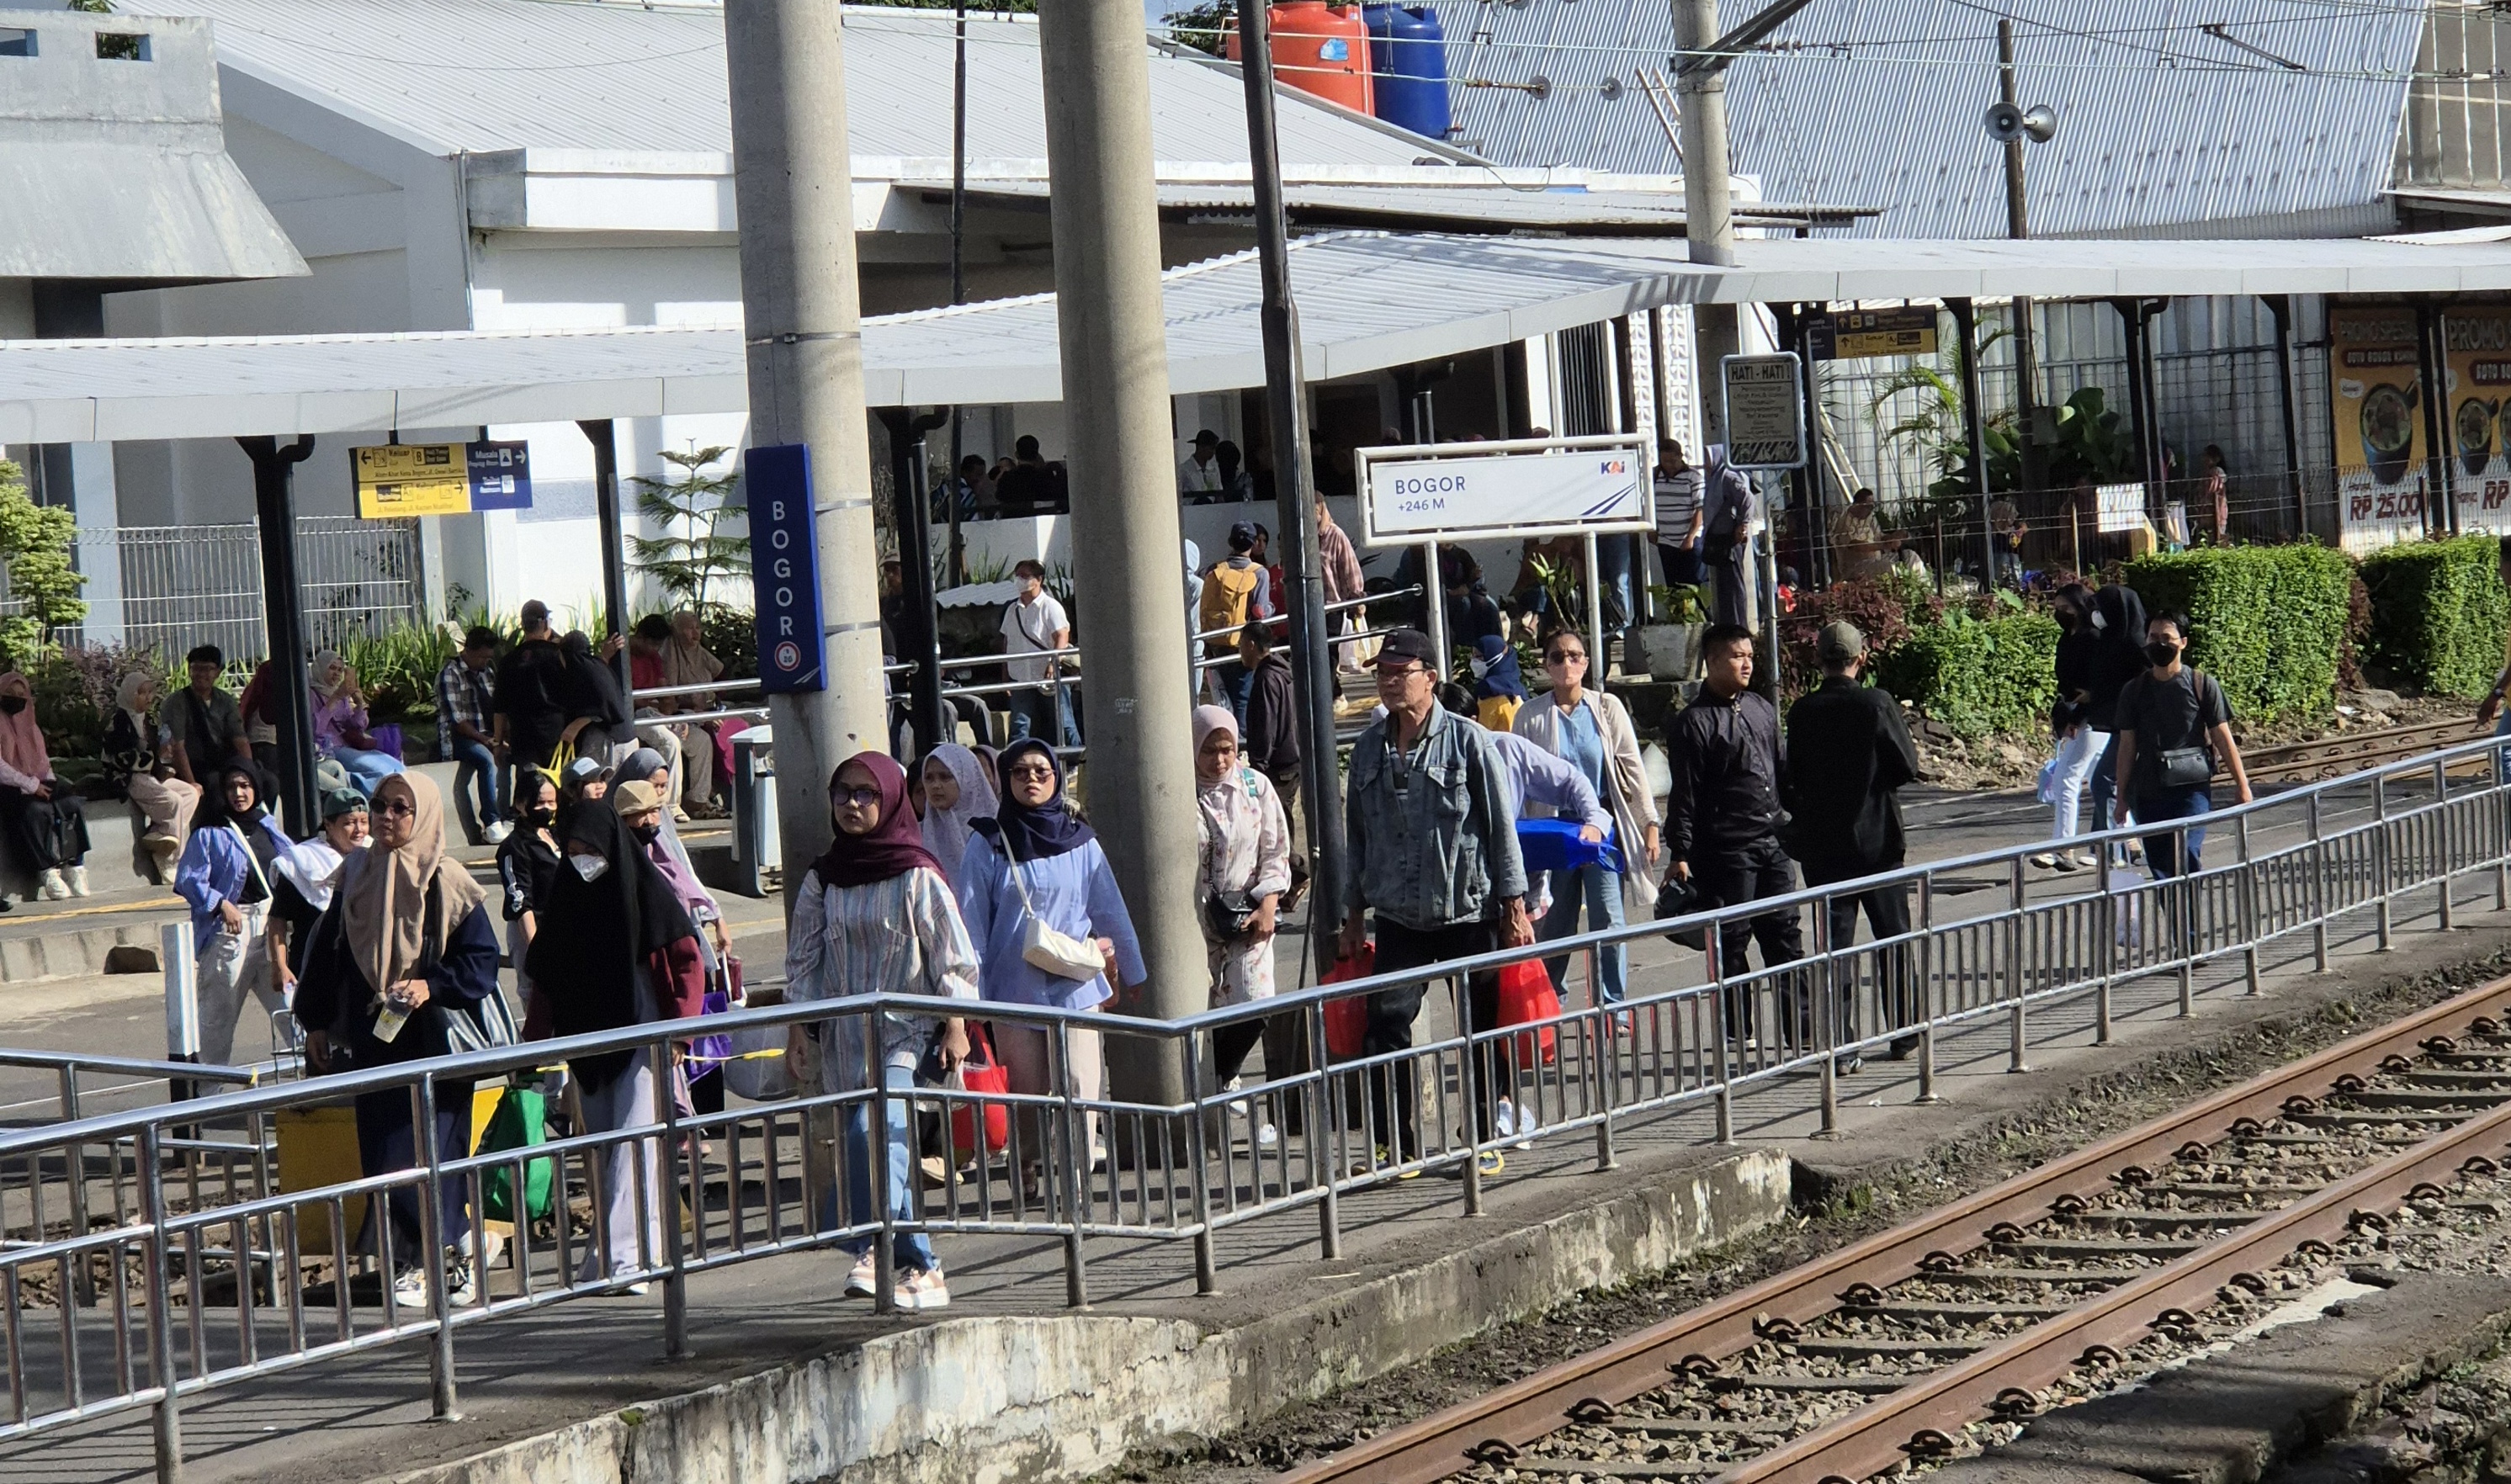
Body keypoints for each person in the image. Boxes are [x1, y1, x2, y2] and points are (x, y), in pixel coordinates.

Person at [295, 774, 500, 1310]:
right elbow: (329, 955)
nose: (386, 817)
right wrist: (316, 1021)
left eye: (400, 808)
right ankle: (427, 1258)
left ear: (423, 813)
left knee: (439, 1155)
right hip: (377, 1039)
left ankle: (444, 1260)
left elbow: (480, 962)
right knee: (388, 1159)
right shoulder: (359, 872)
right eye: (379, 806)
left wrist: (432, 984)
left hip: (435, 1040)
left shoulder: (447, 879)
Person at [785, 753, 978, 1309]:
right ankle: (923, 1266)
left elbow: (954, 958)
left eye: (866, 793)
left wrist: (956, 1025)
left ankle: (875, 1246)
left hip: (908, 1036)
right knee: (872, 1148)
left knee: (874, 1132)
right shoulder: (826, 878)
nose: (852, 803)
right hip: (847, 1039)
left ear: (890, 799)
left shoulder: (917, 872)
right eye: (843, 792)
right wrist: (800, 1030)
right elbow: (803, 961)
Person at [1338, 628, 1532, 1175]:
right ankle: (1394, 1146)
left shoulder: (1469, 741)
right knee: (1386, 1024)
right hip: (1399, 916)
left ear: (1430, 677)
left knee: (1479, 1026)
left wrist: (1513, 909)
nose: (1390, 681)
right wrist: (1353, 915)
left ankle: (1483, 1134)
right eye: (1383, 673)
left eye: (1401, 672)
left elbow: (1501, 830)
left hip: (1468, 910)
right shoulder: (1370, 750)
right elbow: (1359, 838)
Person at [529, 793, 708, 1292]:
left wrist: (679, 1028)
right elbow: (547, 973)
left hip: (641, 1029)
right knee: (605, 1147)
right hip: (588, 1040)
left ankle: (626, 1260)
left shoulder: (643, 891)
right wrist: (534, 1046)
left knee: (634, 1141)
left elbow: (686, 959)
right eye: (573, 847)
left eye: (591, 846)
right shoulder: (568, 897)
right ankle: (616, 1253)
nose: (582, 857)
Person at [957, 739, 1145, 1179]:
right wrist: (972, 999)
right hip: (1012, 992)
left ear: (1057, 777)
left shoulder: (1080, 841)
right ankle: (1027, 1165)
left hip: (1075, 986)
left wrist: (1133, 971)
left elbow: (1109, 908)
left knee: (1081, 1084)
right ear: (1005, 780)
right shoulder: (988, 843)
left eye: (1042, 771)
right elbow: (972, 926)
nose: (1032, 780)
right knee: (1027, 1093)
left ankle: (1077, 1177)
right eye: (1020, 772)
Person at [1781, 622, 1921, 1063]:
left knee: (1834, 946)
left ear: (1819, 661)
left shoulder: (1802, 711)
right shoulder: (1876, 704)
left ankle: (1842, 1046)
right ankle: (1905, 1032)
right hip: (1877, 838)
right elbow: (1906, 765)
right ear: (1862, 658)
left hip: (1825, 844)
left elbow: (1793, 778)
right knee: (1892, 937)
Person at [1664, 623, 1804, 1047]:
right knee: (1732, 941)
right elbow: (1684, 793)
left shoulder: (1761, 707)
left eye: (1749, 655)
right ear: (1711, 661)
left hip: (1773, 843)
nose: (1746, 663)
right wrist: (1680, 851)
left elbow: (1782, 773)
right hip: (1726, 851)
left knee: (1786, 938)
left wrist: (1801, 822)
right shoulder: (1693, 723)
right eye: (1736, 656)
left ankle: (1801, 1033)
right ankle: (1736, 1033)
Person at [1512, 628, 1659, 1011]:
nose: (1566, 664)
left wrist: (1650, 824)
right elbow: (1517, 780)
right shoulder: (1529, 715)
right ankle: (1550, 1003)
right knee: (1555, 923)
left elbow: (1632, 768)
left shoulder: (1606, 707)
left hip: (1601, 830)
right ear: (1546, 664)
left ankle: (1613, 1005)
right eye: (1557, 657)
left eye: (1574, 656)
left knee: (1609, 918)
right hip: (1553, 833)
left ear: (1587, 662)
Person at [1192, 706, 1293, 1134]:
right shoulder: (1177, 789)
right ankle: (1210, 1095)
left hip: (1249, 918)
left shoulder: (1256, 787)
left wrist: (1268, 903)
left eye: (1227, 750)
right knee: (1202, 1012)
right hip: (1195, 924)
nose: (1219, 761)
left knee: (1255, 1002)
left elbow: (1276, 851)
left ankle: (1223, 1074)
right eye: (1209, 751)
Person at [2111, 611, 2254, 889]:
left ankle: (2189, 920)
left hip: (2192, 788)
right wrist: (2121, 797)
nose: (2159, 644)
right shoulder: (2134, 690)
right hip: (2148, 791)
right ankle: (2181, 929)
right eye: (2153, 638)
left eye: (2167, 638)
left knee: (2187, 851)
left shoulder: (2201, 684)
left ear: (2183, 643)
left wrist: (2242, 784)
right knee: (2161, 866)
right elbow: (2126, 745)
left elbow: (2222, 737)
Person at [173, 759, 293, 1065]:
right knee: (218, 1017)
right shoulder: (209, 833)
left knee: (291, 1009)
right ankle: (210, 1094)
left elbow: (293, 865)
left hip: (269, 929)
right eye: (232, 787)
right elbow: (188, 879)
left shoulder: (268, 827)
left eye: (245, 785)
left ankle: (315, 1083)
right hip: (230, 935)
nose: (239, 793)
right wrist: (221, 903)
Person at [268, 788, 369, 1001]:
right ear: (328, 825)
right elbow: (277, 920)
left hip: (360, 969)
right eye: (350, 822)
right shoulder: (301, 863)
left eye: (364, 821)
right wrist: (280, 966)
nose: (359, 830)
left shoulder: (374, 857)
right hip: (311, 967)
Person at [2034, 584, 2108, 872]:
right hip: (2075, 713)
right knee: (2100, 778)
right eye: (2056, 608)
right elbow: (2064, 683)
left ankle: (2063, 848)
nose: (2060, 614)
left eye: (2066, 608)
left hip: (2095, 717)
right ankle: (2129, 840)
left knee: (2066, 778)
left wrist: (2079, 717)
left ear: (2081, 607)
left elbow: (2098, 685)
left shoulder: (2093, 638)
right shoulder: (2067, 639)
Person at [1235, 623, 1308, 904]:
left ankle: (1295, 876)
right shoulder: (1283, 672)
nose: (1240, 651)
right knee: (1281, 820)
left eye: (1241, 644)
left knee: (1275, 825)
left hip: (1277, 764)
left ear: (1251, 645)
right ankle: (1292, 880)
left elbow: (1266, 725)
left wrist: (1259, 764)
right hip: (1291, 757)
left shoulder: (1266, 679)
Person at [0, 669, 88, 900]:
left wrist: (47, 783)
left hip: (37, 782)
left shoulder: (30, 725)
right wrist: (30, 785)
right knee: (34, 812)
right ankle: (48, 872)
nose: (17, 698)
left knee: (72, 803)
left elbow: (42, 761)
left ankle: (75, 866)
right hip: (11, 788)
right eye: (10, 692)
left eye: (22, 693)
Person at [104, 668, 200, 879]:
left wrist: (164, 754)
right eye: (143, 693)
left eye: (151, 692)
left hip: (151, 776)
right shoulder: (118, 721)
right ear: (131, 694)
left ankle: (160, 835)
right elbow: (119, 757)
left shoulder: (150, 721)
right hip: (129, 777)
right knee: (173, 801)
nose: (149, 697)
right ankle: (169, 858)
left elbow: (157, 755)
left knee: (190, 794)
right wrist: (153, 756)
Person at [2085, 584, 2150, 860]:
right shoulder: (2106, 641)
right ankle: (2116, 845)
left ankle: (2114, 846)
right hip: (2118, 728)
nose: (2096, 615)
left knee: (2104, 781)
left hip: (2137, 730)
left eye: (2101, 609)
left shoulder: (2137, 647)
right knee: (2123, 787)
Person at [499, 767, 564, 1037]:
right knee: (535, 995)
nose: (547, 809)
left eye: (552, 802)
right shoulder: (514, 847)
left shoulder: (558, 835)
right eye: (540, 803)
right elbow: (519, 901)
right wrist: (536, 950)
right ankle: (537, 1067)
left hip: (561, 926)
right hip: (531, 929)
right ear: (520, 804)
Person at [438, 627, 510, 846]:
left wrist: (499, 738)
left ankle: (508, 817)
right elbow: (457, 721)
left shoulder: (486, 672)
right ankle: (491, 821)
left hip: (487, 733)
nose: (485, 662)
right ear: (468, 650)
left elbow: (497, 707)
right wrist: (486, 741)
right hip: (460, 738)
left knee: (507, 756)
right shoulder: (450, 673)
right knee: (486, 759)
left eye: (489, 658)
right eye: (482, 657)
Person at [624, 616, 694, 824]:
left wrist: (672, 715)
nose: (655, 648)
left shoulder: (654, 657)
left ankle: (698, 799)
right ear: (640, 636)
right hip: (636, 714)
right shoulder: (624, 655)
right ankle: (669, 804)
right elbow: (632, 699)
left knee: (699, 740)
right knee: (670, 742)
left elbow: (665, 692)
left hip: (654, 712)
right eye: (653, 643)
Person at [307, 651, 405, 800]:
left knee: (397, 767)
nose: (337, 674)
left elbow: (358, 726)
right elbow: (315, 729)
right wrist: (335, 698)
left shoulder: (340, 694)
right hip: (331, 749)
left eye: (340, 670)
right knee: (381, 771)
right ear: (320, 668)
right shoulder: (311, 694)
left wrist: (359, 703)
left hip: (351, 744)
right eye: (332, 668)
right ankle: (369, 802)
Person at [1201, 523, 1271, 726]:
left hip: (1214, 644)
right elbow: (1260, 612)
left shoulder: (1214, 570)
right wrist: (1272, 609)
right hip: (1243, 645)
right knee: (1242, 700)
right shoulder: (1259, 573)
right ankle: (1240, 745)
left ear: (1231, 542)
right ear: (1253, 544)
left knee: (1221, 700)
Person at [1001, 559, 1075, 747]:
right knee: (1019, 725)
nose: (1020, 580)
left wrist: (1053, 663)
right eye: (1017, 576)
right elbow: (1007, 642)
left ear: (1038, 580)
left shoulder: (1051, 606)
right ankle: (1015, 763)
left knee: (1063, 722)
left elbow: (1062, 636)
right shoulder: (1012, 609)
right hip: (1021, 678)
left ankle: (1076, 762)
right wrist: (1005, 675)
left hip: (1049, 677)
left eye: (1025, 576)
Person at [661, 610, 730, 814]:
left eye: (698, 627)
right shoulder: (670, 653)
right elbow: (670, 697)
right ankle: (699, 800)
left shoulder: (699, 652)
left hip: (707, 710)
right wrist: (696, 710)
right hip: (683, 713)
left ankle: (714, 795)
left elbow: (720, 671)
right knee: (705, 737)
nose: (695, 633)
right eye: (690, 628)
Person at [493, 602, 574, 773]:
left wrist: (498, 743)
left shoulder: (509, 660)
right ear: (545, 623)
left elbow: (500, 708)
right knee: (557, 790)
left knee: (528, 790)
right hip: (556, 734)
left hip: (523, 737)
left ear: (523, 625)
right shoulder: (559, 655)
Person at [160, 643, 251, 788]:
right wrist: (192, 784)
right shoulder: (177, 702)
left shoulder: (226, 701)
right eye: (196, 668)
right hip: (194, 766)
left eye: (207, 669)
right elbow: (177, 748)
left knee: (268, 782)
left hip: (225, 762)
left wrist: (249, 773)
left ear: (218, 672)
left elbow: (240, 740)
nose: (201, 674)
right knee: (215, 784)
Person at [919, 743, 996, 891]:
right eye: (929, 778)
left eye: (945, 777)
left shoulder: (996, 832)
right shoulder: (917, 835)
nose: (935, 785)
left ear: (967, 778)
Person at [559, 630, 639, 769]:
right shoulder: (597, 666)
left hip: (608, 743)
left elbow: (603, 705)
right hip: (627, 739)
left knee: (597, 787)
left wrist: (576, 725)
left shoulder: (579, 672)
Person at [1699, 446, 1757, 631]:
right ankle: (1728, 625)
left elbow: (1748, 499)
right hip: (1718, 540)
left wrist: (1743, 524)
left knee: (1734, 585)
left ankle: (1739, 626)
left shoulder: (1728, 476)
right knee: (1723, 587)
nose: (1705, 462)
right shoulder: (1713, 478)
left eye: (1707, 458)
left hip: (1729, 541)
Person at [1316, 496, 1368, 673]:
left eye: (1315, 511)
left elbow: (1350, 569)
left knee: (1329, 654)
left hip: (1332, 607)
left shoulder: (1335, 534)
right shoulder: (1299, 536)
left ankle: (1328, 696)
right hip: (1307, 607)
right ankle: (1334, 692)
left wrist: (1357, 599)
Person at [1654, 438, 1705, 592]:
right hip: (1665, 541)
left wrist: (1690, 537)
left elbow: (1700, 509)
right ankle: (1675, 616)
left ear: (1680, 456)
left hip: (1689, 541)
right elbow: (1646, 503)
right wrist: (1651, 530)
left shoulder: (1693, 477)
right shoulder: (1654, 475)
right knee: (1672, 587)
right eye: (1665, 461)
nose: (1669, 465)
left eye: (1672, 461)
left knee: (1692, 585)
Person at [994, 435, 1068, 516]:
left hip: (1013, 522)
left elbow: (999, 498)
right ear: (1037, 455)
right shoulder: (1045, 477)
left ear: (1016, 454)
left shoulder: (1007, 478)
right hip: (1043, 522)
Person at [1468, 633, 1528, 733]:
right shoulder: (1519, 690)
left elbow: (1481, 736)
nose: (1473, 661)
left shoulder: (1489, 694)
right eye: (1473, 656)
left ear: (1494, 657)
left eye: (1479, 656)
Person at [1988, 494, 2025, 586]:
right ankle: (2002, 582)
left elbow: (2014, 547)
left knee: (2014, 558)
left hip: (2011, 560)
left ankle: (2016, 583)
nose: (2013, 517)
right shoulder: (1991, 531)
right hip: (1996, 559)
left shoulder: (2013, 529)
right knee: (2003, 557)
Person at [1179, 428, 1223, 496]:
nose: (1213, 452)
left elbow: (1219, 490)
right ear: (1201, 447)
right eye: (1211, 448)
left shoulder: (1214, 467)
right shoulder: (1184, 469)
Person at [2201, 445, 2229, 543]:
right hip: (2208, 506)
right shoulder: (2208, 472)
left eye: (2207, 457)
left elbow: (2214, 488)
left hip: (2216, 504)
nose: (2205, 459)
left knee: (2218, 528)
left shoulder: (2217, 471)